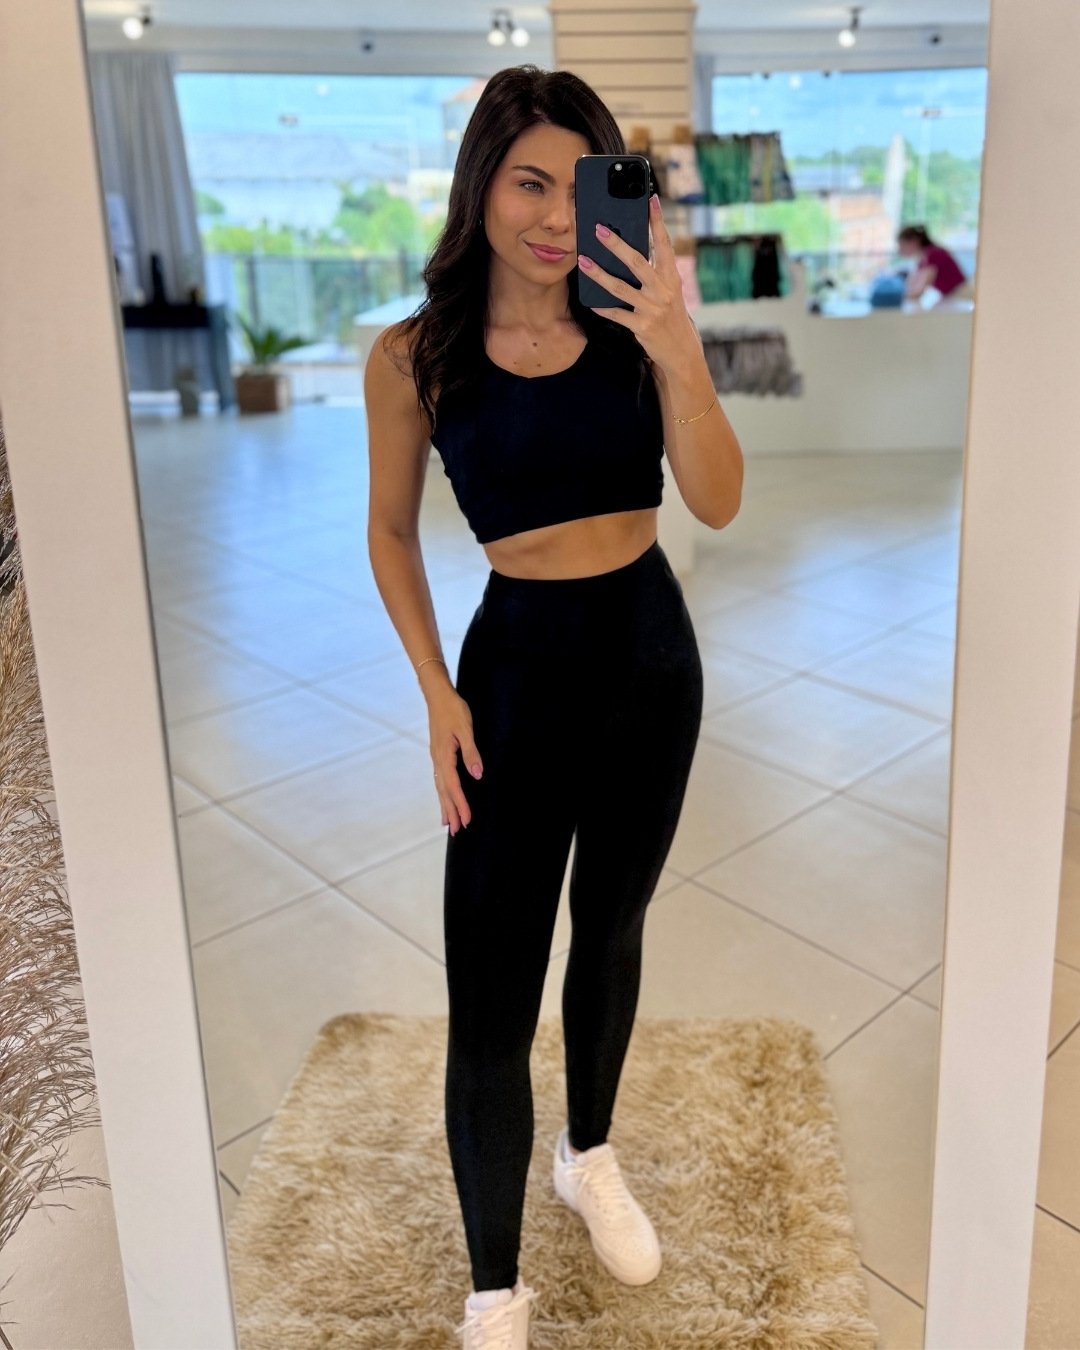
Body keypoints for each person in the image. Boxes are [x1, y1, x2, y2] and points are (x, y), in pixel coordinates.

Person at [363, 64, 743, 1350]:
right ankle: (493, 1287)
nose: (554, 218)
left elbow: (718, 500)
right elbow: (392, 533)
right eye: (530, 182)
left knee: (613, 925)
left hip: (648, 660)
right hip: (513, 675)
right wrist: (434, 690)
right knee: (491, 987)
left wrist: (677, 343)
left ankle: (588, 1154)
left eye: (578, 188)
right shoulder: (415, 356)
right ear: (481, 182)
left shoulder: (634, 323)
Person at [896, 223, 975, 304]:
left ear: (914, 242)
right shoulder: (923, 258)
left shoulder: (933, 254)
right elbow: (913, 284)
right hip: (951, 296)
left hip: (962, 295)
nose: (899, 250)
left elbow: (919, 291)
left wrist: (896, 296)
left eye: (902, 245)